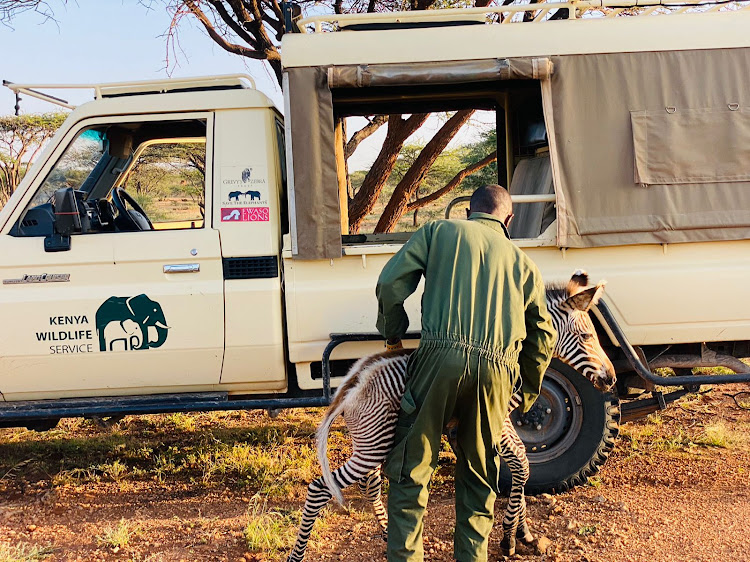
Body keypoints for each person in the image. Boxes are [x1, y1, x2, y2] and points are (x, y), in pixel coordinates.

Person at [375, 184, 556, 562]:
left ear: (468, 211)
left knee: (413, 470)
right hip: (497, 370)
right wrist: (527, 390)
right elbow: (543, 333)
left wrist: (393, 335)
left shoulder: (438, 232)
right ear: (507, 219)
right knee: (478, 477)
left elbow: (391, 284)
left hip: (438, 359)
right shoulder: (523, 263)